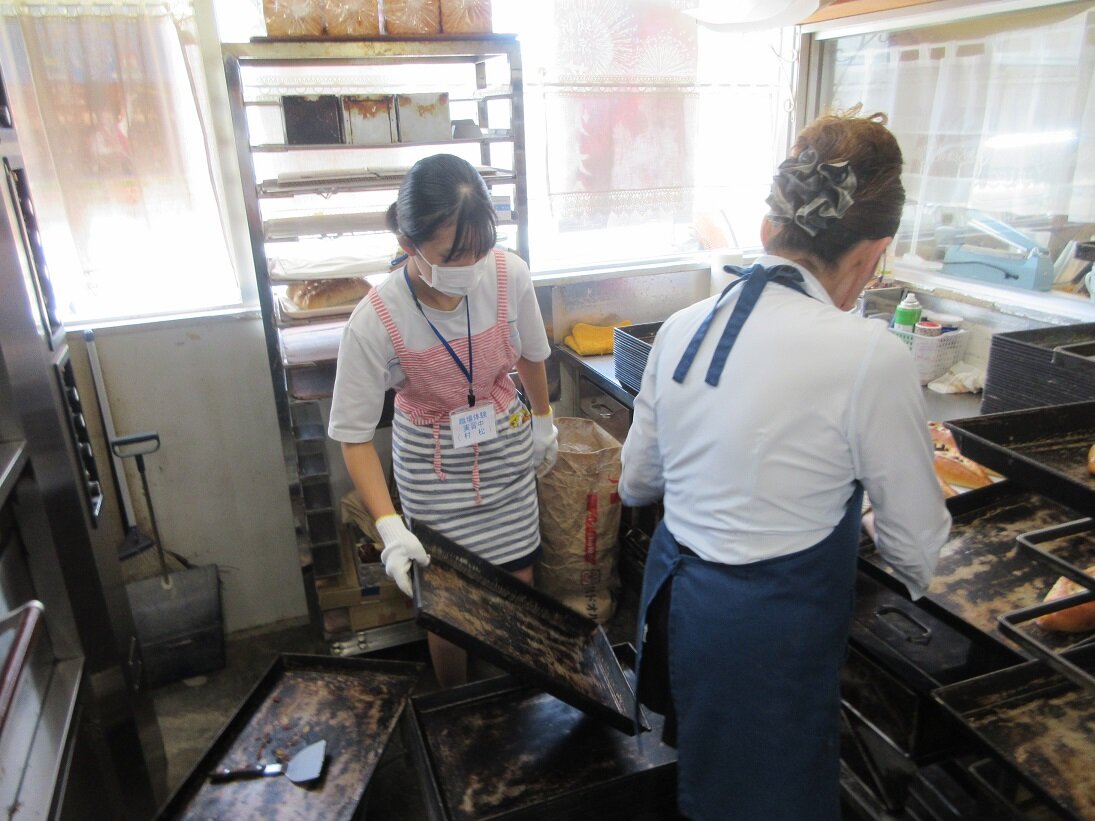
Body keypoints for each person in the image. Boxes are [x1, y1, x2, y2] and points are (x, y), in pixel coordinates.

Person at [620, 109, 951, 821]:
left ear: (770, 226)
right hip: (765, 641)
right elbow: (916, 551)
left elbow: (636, 482)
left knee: (703, 782)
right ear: (874, 252)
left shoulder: (680, 327)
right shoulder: (870, 356)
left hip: (677, 610)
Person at [328, 154, 557, 687]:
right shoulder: (376, 319)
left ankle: (514, 693)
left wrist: (544, 420)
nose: (473, 265)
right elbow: (355, 437)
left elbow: (531, 353)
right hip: (432, 465)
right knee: (447, 600)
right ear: (408, 244)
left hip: (503, 448)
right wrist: (390, 527)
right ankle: (456, 697)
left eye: (481, 247)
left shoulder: (509, 274)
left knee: (517, 580)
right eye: (454, 254)